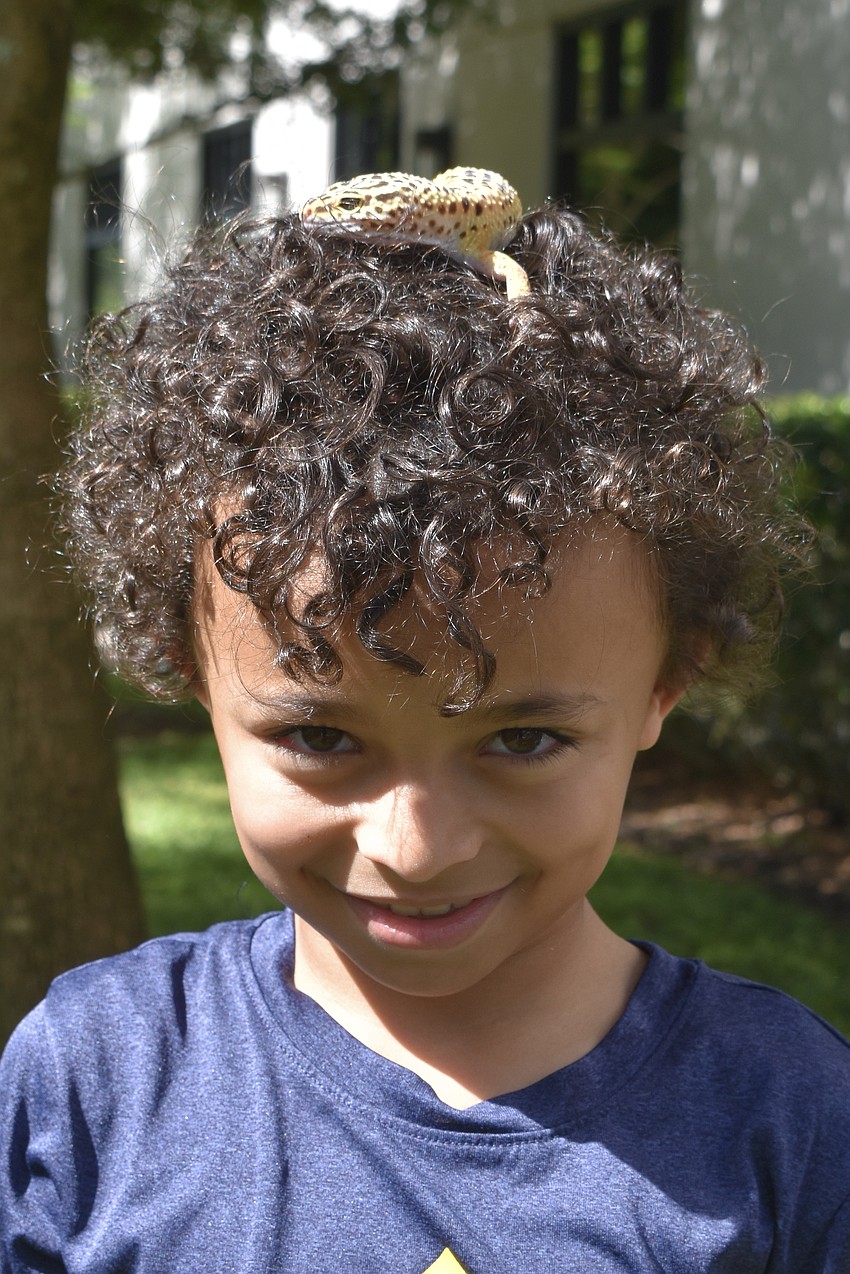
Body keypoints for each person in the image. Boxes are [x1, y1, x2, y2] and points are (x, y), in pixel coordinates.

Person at [1, 197, 848, 1274]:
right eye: (318, 736)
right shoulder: (93, 1078)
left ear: (663, 684)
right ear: (189, 671)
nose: (414, 847)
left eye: (525, 738)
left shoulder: (790, 1119)